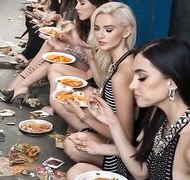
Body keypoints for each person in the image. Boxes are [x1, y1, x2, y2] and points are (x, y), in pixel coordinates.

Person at [68, 38, 190, 179]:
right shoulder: (160, 115)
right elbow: (140, 171)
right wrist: (111, 121)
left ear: (172, 82)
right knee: (77, 172)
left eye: (142, 77)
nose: (132, 85)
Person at [56, 2, 136, 178]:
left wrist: (82, 115)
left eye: (108, 30)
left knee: (71, 143)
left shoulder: (123, 73)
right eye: (97, 28)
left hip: (123, 154)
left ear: (127, 31)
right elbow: (105, 88)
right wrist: (91, 58)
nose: (100, 35)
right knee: (73, 136)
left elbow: (125, 136)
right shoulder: (119, 59)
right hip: (109, 131)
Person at [0, 0, 109, 104]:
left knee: (52, 55)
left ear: (97, 5)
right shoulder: (86, 21)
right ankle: (18, 87)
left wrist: (70, 43)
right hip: (88, 66)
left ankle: (17, 87)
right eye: (77, 2)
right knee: (50, 48)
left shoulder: (102, 26)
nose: (77, 6)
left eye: (82, 3)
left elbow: (93, 58)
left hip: (94, 74)